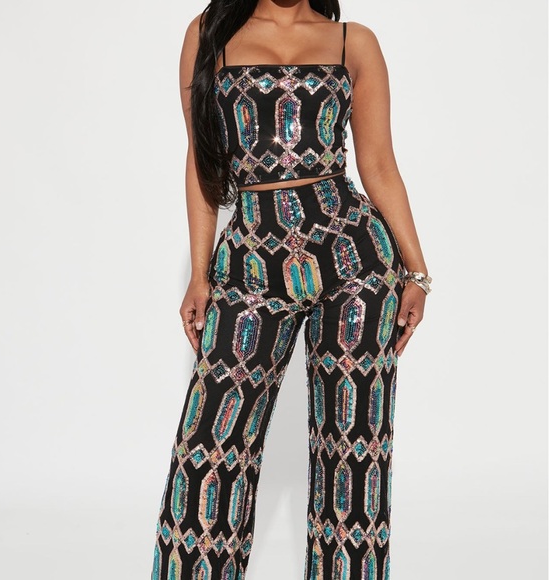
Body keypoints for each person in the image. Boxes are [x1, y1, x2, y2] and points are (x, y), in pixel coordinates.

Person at [151, 0, 431, 578]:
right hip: (249, 262)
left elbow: (379, 166)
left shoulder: (353, 41)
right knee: (210, 449)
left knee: (352, 456)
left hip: (355, 264)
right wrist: (200, 274)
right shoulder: (207, 36)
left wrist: (417, 271)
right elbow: (203, 164)